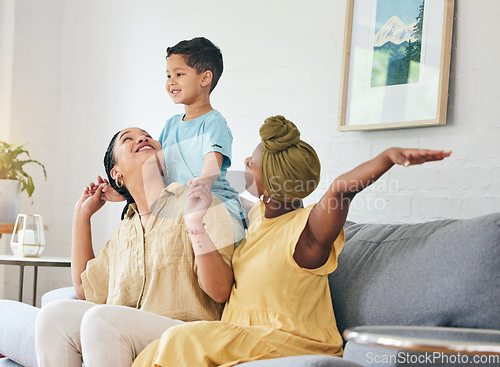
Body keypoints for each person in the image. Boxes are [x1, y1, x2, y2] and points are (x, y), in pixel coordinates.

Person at [129, 115, 451, 366]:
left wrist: (387, 157)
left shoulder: (306, 234)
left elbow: (340, 189)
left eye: (251, 163)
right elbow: (223, 181)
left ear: (268, 184)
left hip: (291, 339)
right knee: (157, 349)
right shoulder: (258, 218)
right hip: (242, 335)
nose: (245, 164)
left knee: (181, 341)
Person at [34, 127, 235, 367]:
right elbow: (84, 290)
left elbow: (221, 291)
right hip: (127, 331)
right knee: (53, 317)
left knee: (102, 320)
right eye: (128, 139)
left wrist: (195, 225)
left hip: (188, 334)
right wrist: (82, 216)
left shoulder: (201, 203)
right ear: (116, 174)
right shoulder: (125, 230)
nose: (142, 138)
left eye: (147, 136)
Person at [103, 37, 246, 243]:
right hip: (184, 211)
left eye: (179, 74)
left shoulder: (214, 123)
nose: (171, 81)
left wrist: (203, 183)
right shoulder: (171, 125)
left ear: (205, 79)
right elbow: (155, 171)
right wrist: (124, 193)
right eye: (169, 75)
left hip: (217, 206)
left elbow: (213, 161)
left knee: (225, 243)